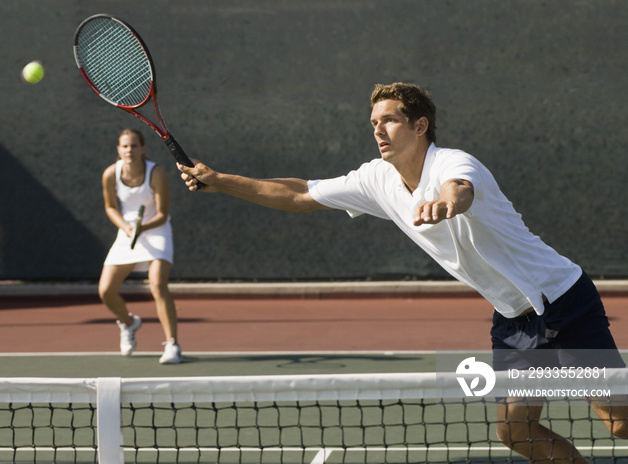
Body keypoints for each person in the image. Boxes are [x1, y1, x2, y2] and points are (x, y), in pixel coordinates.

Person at [177, 82, 628, 462]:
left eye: (388, 120)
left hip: (563, 300)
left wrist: (447, 203)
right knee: (516, 433)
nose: (378, 130)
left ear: (419, 126)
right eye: (374, 122)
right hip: (514, 318)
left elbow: (461, 190)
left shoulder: (453, 162)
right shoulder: (376, 179)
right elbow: (298, 193)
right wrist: (221, 181)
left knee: (618, 422)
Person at [99, 128, 182, 364]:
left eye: (134, 146)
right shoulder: (109, 174)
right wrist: (126, 227)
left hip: (156, 230)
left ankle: (173, 345)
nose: (129, 150)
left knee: (157, 284)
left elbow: (163, 214)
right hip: (127, 230)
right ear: (118, 149)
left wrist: (142, 228)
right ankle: (129, 323)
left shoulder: (156, 174)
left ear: (143, 148)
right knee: (105, 291)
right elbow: (110, 207)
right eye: (125, 146)